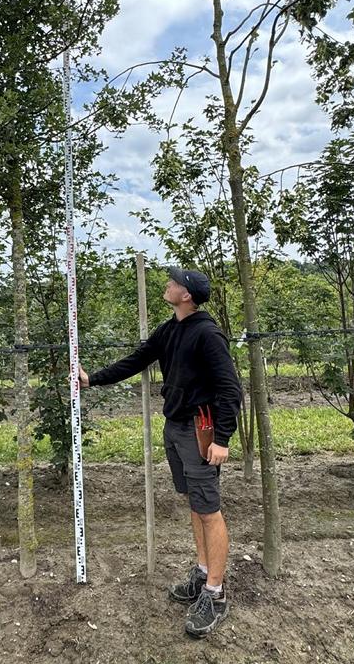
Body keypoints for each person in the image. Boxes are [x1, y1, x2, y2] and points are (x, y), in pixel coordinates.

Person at [79, 267, 242, 637]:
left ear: (187, 295)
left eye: (174, 282)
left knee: (209, 509)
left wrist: (223, 439)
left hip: (200, 432)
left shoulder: (207, 333)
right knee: (196, 505)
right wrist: (94, 379)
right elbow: (138, 359)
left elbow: (231, 389)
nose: (167, 285)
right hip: (175, 427)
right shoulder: (171, 329)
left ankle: (215, 595)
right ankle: (202, 574)